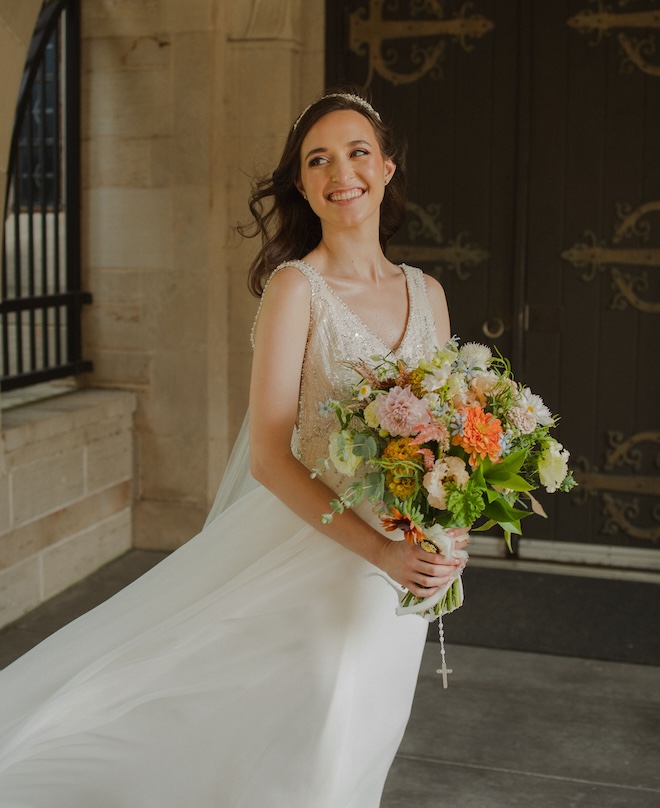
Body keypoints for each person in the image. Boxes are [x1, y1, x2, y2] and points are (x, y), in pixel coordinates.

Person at [0, 91, 467, 807]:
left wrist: (449, 532)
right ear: (304, 186)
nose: (341, 171)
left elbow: (449, 444)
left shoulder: (427, 293)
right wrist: (379, 553)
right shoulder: (295, 288)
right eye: (319, 160)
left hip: (400, 583)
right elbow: (270, 458)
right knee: (302, 752)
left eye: (356, 152)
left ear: (387, 167)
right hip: (318, 563)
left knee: (362, 746)